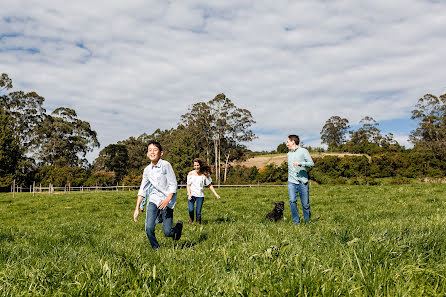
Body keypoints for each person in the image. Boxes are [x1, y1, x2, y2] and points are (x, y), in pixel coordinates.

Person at [133, 140, 183, 249]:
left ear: (161, 153)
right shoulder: (147, 170)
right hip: (154, 199)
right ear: (147, 154)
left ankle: (178, 227)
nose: (152, 152)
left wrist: (167, 199)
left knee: (167, 232)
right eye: (150, 150)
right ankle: (156, 248)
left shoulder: (166, 165)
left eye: (155, 150)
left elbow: (173, 184)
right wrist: (137, 208)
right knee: (149, 227)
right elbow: (143, 189)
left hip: (167, 200)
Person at [286, 135, 314, 224]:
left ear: (293, 142)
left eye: (288, 142)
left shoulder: (303, 151)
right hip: (291, 182)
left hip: (302, 181)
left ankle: (307, 222)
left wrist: (300, 163)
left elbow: (311, 163)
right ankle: (296, 222)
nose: (286, 144)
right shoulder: (288, 154)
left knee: (305, 204)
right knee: (292, 201)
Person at [186, 158, 221, 224]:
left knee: (198, 212)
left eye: (197, 165)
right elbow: (188, 185)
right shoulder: (190, 174)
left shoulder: (204, 175)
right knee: (191, 210)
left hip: (200, 195)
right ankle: (191, 218)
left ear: (200, 166)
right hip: (191, 195)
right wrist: (189, 194)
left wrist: (216, 194)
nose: (196, 167)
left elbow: (209, 185)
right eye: (195, 165)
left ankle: (198, 224)